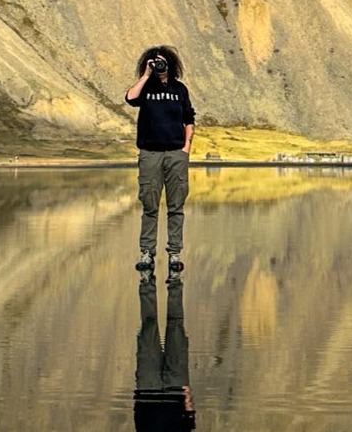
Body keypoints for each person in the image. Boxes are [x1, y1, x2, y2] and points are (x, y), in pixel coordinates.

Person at [125, 45, 195, 273]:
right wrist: (146, 74)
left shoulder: (180, 89)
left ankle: (175, 253)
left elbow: (189, 118)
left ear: (172, 63)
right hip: (150, 153)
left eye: (162, 61)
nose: (159, 65)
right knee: (149, 206)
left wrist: (186, 148)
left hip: (176, 154)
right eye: (154, 62)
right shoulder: (145, 88)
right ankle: (147, 252)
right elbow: (130, 98)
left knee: (176, 206)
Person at [134, 272, 196, 431]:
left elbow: (139, 418)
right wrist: (187, 392)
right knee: (175, 326)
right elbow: (189, 419)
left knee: (148, 327)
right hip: (176, 389)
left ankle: (146, 280)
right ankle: (175, 280)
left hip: (147, 391)